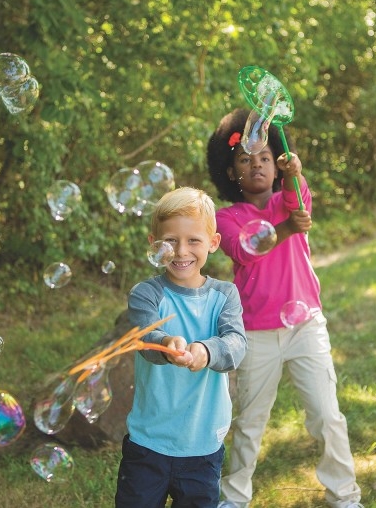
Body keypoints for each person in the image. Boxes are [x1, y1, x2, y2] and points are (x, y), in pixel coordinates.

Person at [206, 108, 363, 508]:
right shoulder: (225, 218)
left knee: (328, 417)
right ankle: (234, 499)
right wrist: (290, 228)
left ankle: (344, 497)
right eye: (244, 159)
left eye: (263, 157)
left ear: (275, 167)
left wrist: (294, 170)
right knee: (249, 422)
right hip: (256, 332)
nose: (256, 164)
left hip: (305, 324)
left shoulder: (288, 196)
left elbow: (297, 198)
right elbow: (246, 249)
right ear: (230, 171)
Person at [115, 186, 248, 508]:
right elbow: (145, 338)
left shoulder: (225, 295)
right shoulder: (146, 294)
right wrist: (165, 342)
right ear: (154, 244)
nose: (180, 251)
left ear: (213, 243)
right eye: (170, 241)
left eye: (193, 241)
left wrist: (204, 350)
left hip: (202, 443)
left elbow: (236, 344)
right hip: (149, 442)